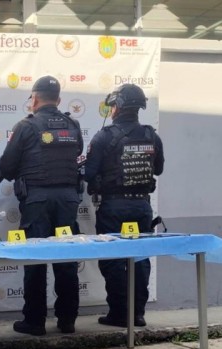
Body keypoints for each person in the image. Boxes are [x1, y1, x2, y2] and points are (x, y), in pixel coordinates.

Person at [0, 76, 83, 335]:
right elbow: (77, 152)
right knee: (66, 258)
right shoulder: (73, 125)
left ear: (34, 99)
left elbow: (7, 166)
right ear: (59, 99)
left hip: (37, 202)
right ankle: (67, 320)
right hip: (67, 200)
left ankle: (34, 321)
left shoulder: (26, 126)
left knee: (35, 258)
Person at [84, 83, 165, 327]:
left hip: (114, 208)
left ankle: (119, 314)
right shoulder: (151, 136)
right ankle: (137, 314)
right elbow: (159, 169)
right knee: (140, 260)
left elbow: (89, 173)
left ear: (117, 107)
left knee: (113, 260)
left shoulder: (104, 136)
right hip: (142, 207)